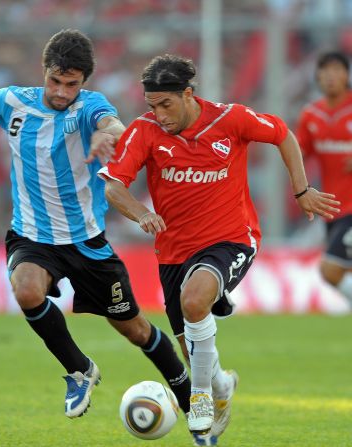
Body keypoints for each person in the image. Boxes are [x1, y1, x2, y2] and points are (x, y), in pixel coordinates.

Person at [0, 29, 192, 420]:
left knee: (134, 329)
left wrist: (109, 137)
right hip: (32, 237)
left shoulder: (90, 107)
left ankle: (187, 390)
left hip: (86, 242)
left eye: (72, 84)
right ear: (43, 71)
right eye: (55, 81)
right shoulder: (11, 101)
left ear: (84, 83)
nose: (62, 92)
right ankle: (79, 369)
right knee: (26, 289)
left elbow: (113, 125)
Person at [99, 54, 340, 445]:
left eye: (166, 104)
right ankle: (221, 386)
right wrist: (141, 212)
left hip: (232, 238)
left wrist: (301, 189)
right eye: (152, 106)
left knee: (195, 302)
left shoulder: (230, 120)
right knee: (192, 347)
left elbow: (282, 134)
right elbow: (113, 185)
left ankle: (202, 399)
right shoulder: (144, 132)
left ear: (188, 94)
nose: (159, 114)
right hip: (173, 252)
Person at [296, 51, 352, 305]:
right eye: (325, 71)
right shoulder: (311, 115)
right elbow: (297, 154)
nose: (330, 76)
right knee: (345, 271)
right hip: (333, 208)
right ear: (317, 76)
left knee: (330, 269)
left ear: (346, 75)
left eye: (336, 70)